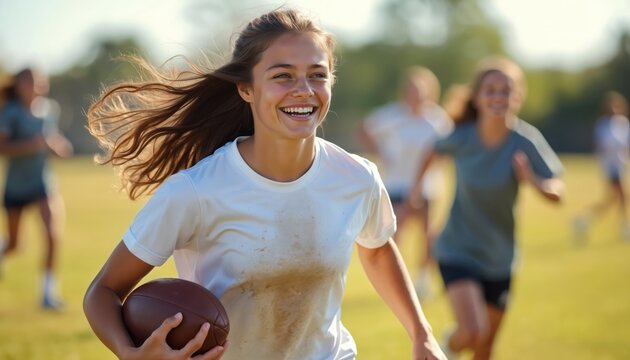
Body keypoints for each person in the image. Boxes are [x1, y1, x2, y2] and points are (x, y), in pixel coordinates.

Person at [83, 9, 445, 360]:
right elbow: (103, 291)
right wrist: (130, 353)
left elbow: (379, 249)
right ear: (246, 88)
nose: (304, 90)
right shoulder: (195, 192)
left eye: (317, 75)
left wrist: (421, 333)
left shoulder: (356, 177)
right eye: (283, 76)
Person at [410, 63, 564, 359]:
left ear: (517, 97)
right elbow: (432, 150)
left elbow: (558, 191)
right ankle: (448, 347)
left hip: (500, 257)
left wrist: (532, 180)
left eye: (506, 90)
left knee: (485, 348)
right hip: (457, 249)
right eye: (490, 90)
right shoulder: (463, 137)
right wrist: (417, 189)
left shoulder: (525, 140)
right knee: (471, 332)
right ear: (478, 98)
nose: (498, 97)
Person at [358, 66, 452, 300]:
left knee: (428, 234)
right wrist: (380, 152)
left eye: (419, 91)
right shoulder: (392, 116)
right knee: (394, 234)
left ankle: (423, 280)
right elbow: (364, 129)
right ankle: (395, 282)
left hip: (428, 187)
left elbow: (447, 147)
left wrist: (434, 166)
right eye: (411, 90)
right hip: (396, 185)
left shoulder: (437, 120)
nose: (414, 96)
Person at [0, 68, 73, 310]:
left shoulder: (49, 109)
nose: (35, 85)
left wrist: (59, 147)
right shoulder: (10, 112)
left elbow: (52, 139)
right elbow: (3, 148)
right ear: (19, 85)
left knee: (52, 235)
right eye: (30, 81)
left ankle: (48, 294)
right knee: (14, 245)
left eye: (39, 81)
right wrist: (31, 145)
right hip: (16, 186)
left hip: (42, 184)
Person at [572, 91, 630, 242]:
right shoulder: (603, 124)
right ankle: (624, 227)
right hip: (610, 166)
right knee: (622, 196)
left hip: (620, 165)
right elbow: (601, 145)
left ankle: (584, 220)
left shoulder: (623, 123)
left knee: (613, 199)